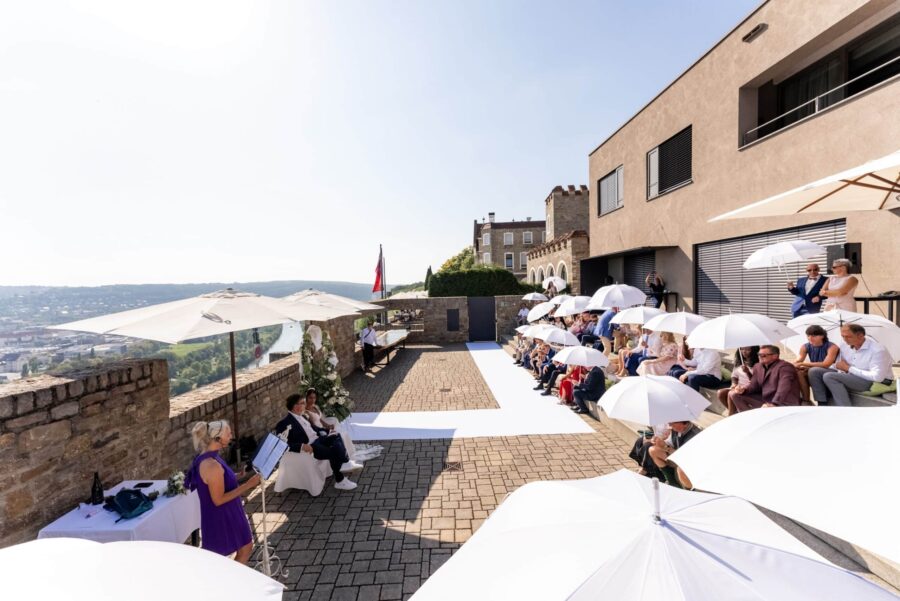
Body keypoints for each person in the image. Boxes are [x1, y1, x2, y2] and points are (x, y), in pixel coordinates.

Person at [187, 420, 259, 563]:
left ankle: (233, 579)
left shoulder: (211, 455)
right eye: (229, 433)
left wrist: (237, 476)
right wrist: (248, 485)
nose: (231, 436)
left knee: (245, 547)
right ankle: (231, 581)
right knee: (232, 553)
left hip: (230, 509)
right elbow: (218, 499)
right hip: (222, 514)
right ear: (218, 438)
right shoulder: (211, 465)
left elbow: (218, 481)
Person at [275, 394, 359, 490]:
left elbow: (314, 428)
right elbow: (281, 444)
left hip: (319, 439)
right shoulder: (284, 423)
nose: (305, 405)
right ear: (295, 406)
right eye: (302, 403)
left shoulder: (303, 416)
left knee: (337, 435)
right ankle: (340, 480)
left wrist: (328, 431)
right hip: (311, 446)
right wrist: (301, 446)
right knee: (334, 452)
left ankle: (345, 462)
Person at [808, 324, 893, 406]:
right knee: (814, 371)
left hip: (874, 383)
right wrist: (813, 366)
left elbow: (877, 377)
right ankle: (822, 404)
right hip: (850, 376)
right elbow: (840, 365)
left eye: (848, 336)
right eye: (843, 336)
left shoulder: (878, 350)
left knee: (829, 376)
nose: (845, 339)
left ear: (860, 335)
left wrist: (849, 368)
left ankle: (845, 410)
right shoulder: (845, 345)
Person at [728, 345, 802, 413]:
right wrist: (743, 389)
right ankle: (749, 419)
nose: (760, 357)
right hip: (766, 399)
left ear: (775, 356)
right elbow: (753, 386)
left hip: (783, 402)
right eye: (759, 355)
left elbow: (784, 388)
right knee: (734, 394)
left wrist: (774, 403)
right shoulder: (758, 366)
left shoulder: (785, 367)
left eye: (763, 355)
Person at [630, 421, 700, 488]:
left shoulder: (694, 436)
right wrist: (659, 441)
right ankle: (671, 480)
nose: (669, 425)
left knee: (680, 469)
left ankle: (687, 490)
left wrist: (666, 447)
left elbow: (683, 458)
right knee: (653, 450)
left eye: (671, 423)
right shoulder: (677, 429)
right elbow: (669, 442)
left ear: (683, 423)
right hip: (678, 457)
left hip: (689, 463)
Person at [303, 387, 358, 459]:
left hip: (323, 427)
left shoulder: (315, 406)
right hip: (319, 431)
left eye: (314, 398)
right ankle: (342, 455)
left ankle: (347, 451)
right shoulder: (305, 412)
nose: (313, 400)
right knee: (339, 434)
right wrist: (325, 430)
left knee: (341, 430)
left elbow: (320, 419)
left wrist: (328, 425)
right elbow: (313, 426)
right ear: (306, 398)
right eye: (310, 398)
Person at [793, 325, 839, 403]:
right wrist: (794, 364)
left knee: (813, 371)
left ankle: (821, 401)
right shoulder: (805, 346)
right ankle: (806, 400)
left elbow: (826, 364)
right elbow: (798, 360)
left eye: (814, 336)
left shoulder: (832, 347)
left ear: (822, 336)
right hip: (814, 370)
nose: (810, 338)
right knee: (798, 372)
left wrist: (804, 364)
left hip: (831, 370)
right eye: (808, 336)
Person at [718, 347, 759, 414]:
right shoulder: (739, 361)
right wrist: (734, 384)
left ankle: (731, 415)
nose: (744, 351)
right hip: (738, 386)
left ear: (754, 351)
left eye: (747, 349)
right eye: (742, 349)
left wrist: (748, 372)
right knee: (720, 393)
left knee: (731, 393)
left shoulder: (758, 364)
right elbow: (734, 375)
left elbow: (755, 382)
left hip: (749, 388)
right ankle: (735, 413)